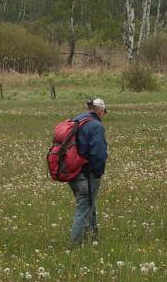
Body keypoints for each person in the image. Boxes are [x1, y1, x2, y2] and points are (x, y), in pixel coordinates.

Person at [68, 98, 108, 247]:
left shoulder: (76, 120)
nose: (103, 115)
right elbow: (99, 154)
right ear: (99, 110)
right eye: (104, 112)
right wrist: (98, 173)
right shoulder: (96, 126)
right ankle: (74, 247)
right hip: (87, 175)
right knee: (82, 211)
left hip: (72, 173)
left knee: (89, 204)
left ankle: (92, 237)